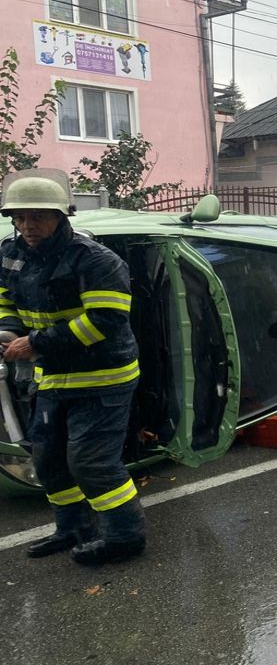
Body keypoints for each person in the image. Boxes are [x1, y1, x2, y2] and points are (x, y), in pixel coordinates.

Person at [0, 169, 145, 565]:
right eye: (20, 217)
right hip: (51, 376)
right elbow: (6, 301)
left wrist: (34, 343)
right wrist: (8, 332)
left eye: (39, 217)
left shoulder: (95, 260)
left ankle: (124, 536)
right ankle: (74, 528)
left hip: (103, 378)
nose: (28, 225)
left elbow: (106, 319)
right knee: (47, 457)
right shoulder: (10, 253)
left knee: (91, 460)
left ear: (62, 216)